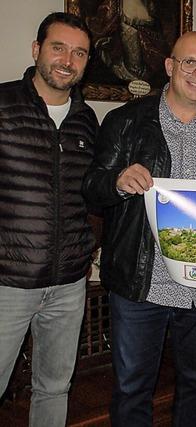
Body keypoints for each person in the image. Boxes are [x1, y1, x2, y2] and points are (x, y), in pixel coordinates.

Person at [82, 31, 196, 427]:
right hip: (141, 286)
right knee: (133, 388)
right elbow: (92, 187)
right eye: (189, 62)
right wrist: (118, 180)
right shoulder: (126, 121)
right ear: (170, 66)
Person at [0, 12, 97, 427]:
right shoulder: (3, 104)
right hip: (8, 282)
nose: (68, 60)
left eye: (79, 53)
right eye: (58, 47)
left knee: (55, 388)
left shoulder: (87, 119)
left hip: (69, 285)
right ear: (37, 49)